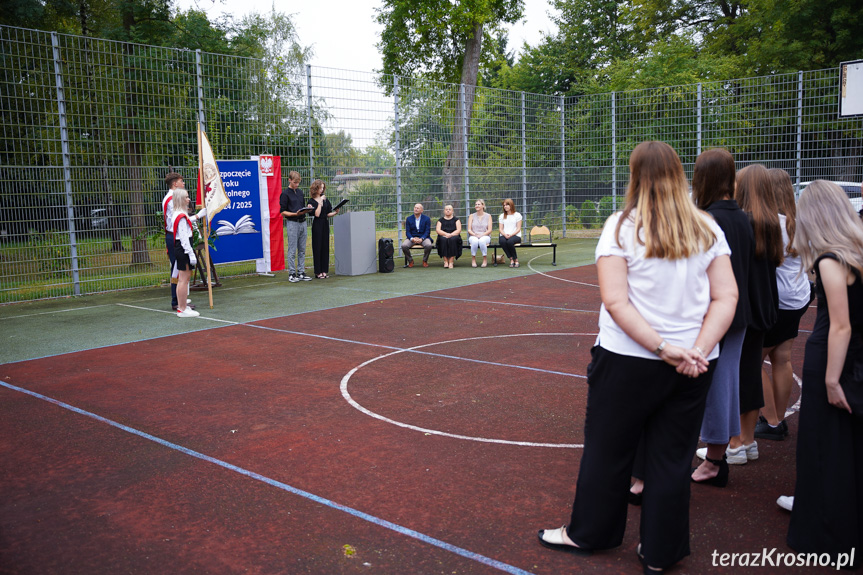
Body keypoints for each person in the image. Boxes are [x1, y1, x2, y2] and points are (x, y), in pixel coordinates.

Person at [537, 141, 737, 573]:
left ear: (635, 176)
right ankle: (661, 551)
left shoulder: (621, 226)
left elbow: (615, 301)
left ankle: (589, 532)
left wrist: (666, 349)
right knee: (672, 456)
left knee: (608, 450)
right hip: (694, 365)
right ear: (679, 175)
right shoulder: (707, 227)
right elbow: (727, 296)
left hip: (629, 360)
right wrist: (696, 350)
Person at [785, 180, 863, 568]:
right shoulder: (857, 250)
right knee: (846, 448)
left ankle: (824, 535)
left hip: (835, 360)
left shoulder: (831, 259)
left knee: (822, 449)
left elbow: (840, 325)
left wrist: (832, 379)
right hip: (856, 359)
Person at [686, 149, 755, 486]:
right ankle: (719, 452)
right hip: (739, 312)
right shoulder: (742, 217)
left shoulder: (709, 219)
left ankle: (714, 459)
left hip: (715, 313)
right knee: (726, 383)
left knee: (709, 384)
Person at [726, 164, 781, 461]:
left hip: (744, 308)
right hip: (764, 306)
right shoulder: (771, 224)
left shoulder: (743, 223)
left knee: (737, 374)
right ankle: (748, 440)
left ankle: (735, 442)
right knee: (750, 372)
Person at [755, 169, 812, 441]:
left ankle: (773, 420)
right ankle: (778, 418)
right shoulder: (800, 222)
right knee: (782, 357)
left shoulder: (770, 224)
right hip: (798, 297)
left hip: (776, 300)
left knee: (753, 360)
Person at [162, 172, 205, 311]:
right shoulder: (172, 199)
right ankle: (177, 302)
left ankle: (181, 299)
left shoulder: (172, 198)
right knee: (178, 271)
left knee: (181, 272)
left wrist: (198, 216)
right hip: (176, 236)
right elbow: (181, 219)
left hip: (175, 234)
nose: (183, 183)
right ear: (175, 184)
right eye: (181, 181)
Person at [170, 188, 201, 318]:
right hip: (183, 248)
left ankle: (182, 306)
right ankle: (182, 308)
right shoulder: (180, 215)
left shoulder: (179, 214)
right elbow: (183, 238)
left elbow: (187, 221)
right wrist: (191, 253)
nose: (189, 199)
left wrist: (198, 216)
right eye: (186, 197)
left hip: (182, 248)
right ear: (180, 199)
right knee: (183, 279)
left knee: (184, 279)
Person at [279, 171, 313, 282]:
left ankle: (301, 272)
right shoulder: (285, 194)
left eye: (298, 183)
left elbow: (301, 207)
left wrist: (307, 208)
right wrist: (295, 214)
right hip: (292, 223)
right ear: (289, 180)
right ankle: (292, 274)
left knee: (302, 249)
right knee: (292, 249)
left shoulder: (300, 192)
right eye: (295, 182)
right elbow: (283, 212)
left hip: (303, 222)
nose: (297, 185)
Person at [308, 180, 339, 279]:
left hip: (325, 223)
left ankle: (324, 270)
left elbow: (327, 213)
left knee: (325, 246)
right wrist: (320, 201)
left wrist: (335, 213)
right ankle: (318, 271)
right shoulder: (311, 201)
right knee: (317, 247)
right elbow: (317, 214)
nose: (322, 190)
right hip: (317, 224)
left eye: (323, 188)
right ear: (316, 188)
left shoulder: (325, 199)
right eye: (320, 188)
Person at [401, 203, 432, 268]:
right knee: (404, 245)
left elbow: (427, 231)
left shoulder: (427, 219)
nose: (416, 209)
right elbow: (408, 232)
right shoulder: (409, 219)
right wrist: (412, 238)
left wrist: (422, 238)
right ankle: (410, 260)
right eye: (415, 207)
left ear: (422, 210)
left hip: (423, 237)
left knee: (428, 245)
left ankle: (425, 260)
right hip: (412, 237)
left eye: (418, 208)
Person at [435, 204, 462, 268]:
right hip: (443, 235)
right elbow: (438, 230)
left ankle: (451, 261)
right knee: (443, 240)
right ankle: (445, 261)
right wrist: (446, 234)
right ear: (444, 211)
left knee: (453, 239)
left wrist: (451, 235)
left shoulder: (456, 220)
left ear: (452, 211)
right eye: (446, 209)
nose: (448, 211)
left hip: (454, 235)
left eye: (449, 209)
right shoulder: (440, 220)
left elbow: (459, 230)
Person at [467, 199, 493, 268]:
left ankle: (484, 259)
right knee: (475, 241)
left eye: (478, 204)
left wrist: (482, 235)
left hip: (485, 235)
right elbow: (469, 229)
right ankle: (473, 259)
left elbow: (489, 230)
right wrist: (474, 234)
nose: (477, 206)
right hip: (473, 235)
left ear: (483, 205)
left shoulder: (488, 216)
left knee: (482, 241)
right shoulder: (471, 216)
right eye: (476, 204)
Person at [498, 198, 522, 268]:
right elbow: (500, 229)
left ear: (511, 205)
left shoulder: (517, 215)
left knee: (509, 242)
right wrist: (505, 234)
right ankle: (511, 259)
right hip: (504, 235)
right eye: (504, 205)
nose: (505, 206)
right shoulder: (502, 216)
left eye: (507, 205)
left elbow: (518, 228)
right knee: (502, 241)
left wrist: (511, 235)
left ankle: (516, 259)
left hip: (515, 235)